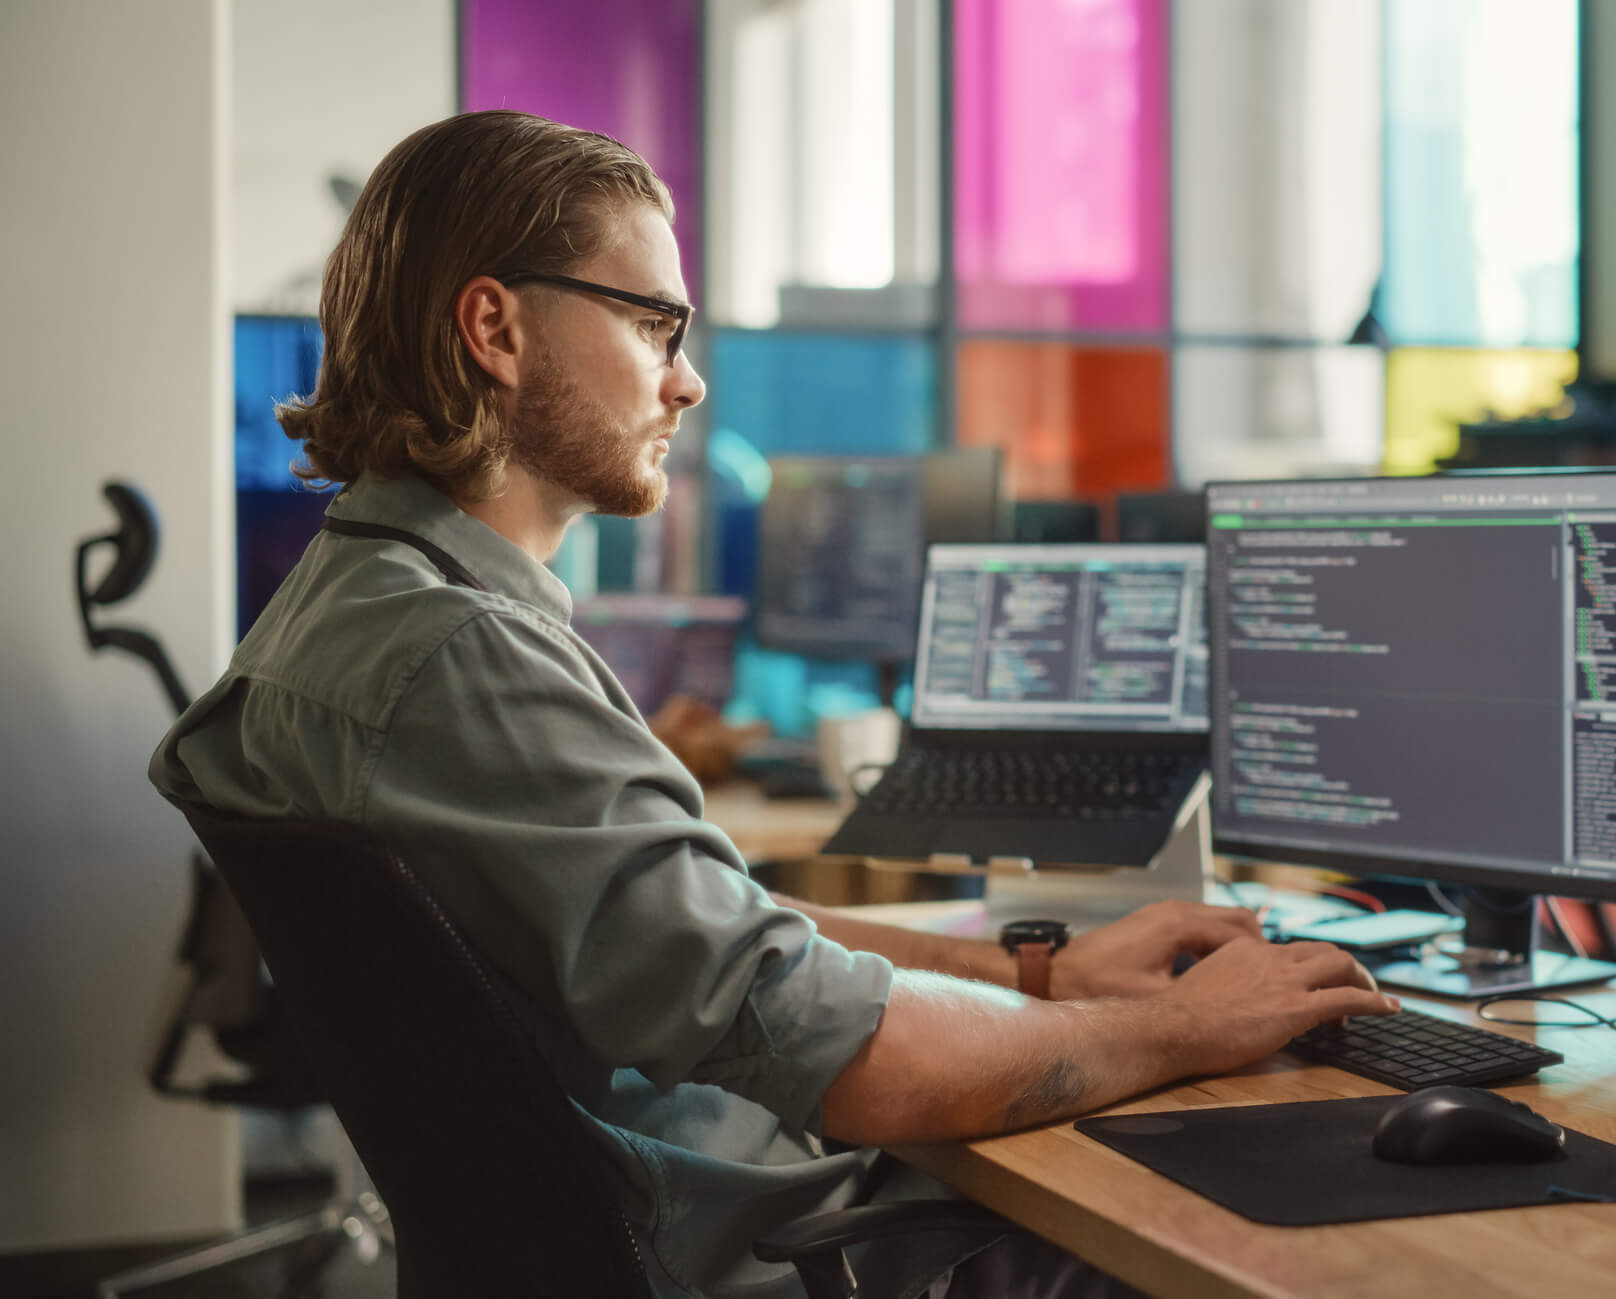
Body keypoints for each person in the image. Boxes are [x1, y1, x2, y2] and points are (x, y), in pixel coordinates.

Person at [149, 110, 1396, 1299]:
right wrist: (1183, 1029)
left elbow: (723, 936)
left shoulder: (354, 605)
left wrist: (1047, 974)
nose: (686, 383)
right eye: (654, 323)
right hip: (771, 1255)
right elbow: (866, 1066)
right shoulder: (458, 656)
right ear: (495, 328)